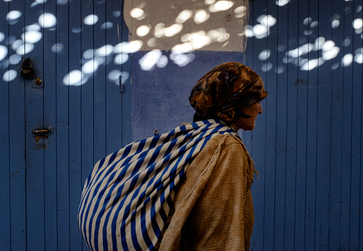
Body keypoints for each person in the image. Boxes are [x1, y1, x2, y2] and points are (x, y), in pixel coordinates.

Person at [78, 62, 267, 251]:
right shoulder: (227, 146)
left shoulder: (197, 132)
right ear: (235, 103)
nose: (260, 110)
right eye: (256, 101)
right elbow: (217, 231)